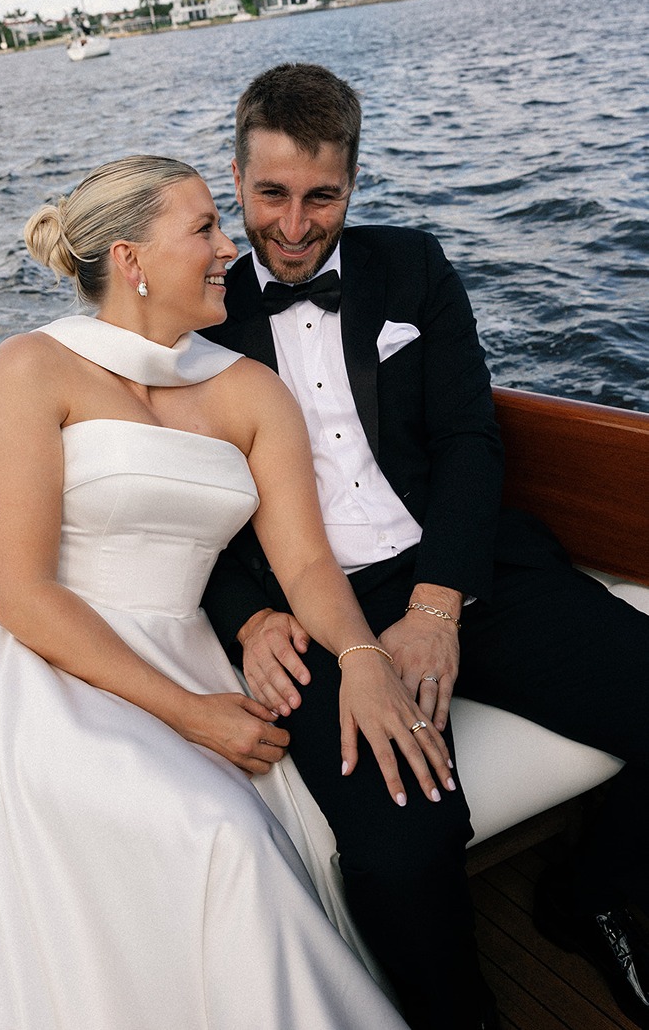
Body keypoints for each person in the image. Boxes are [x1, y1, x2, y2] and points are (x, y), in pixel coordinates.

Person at [0, 155, 420, 1029]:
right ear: (133, 259)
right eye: (205, 229)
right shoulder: (33, 369)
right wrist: (189, 712)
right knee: (221, 836)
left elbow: (308, 568)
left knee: (246, 833)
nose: (229, 247)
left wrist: (363, 656)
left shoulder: (250, 390)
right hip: (45, 672)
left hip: (190, 649)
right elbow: (21, 595)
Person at [201, 62, 649, 1030]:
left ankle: (590, 895)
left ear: (354, 183)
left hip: (461, 565)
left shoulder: (413, 264)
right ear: (234, 181)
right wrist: (247, 616)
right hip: (320, 614)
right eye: (270, 193)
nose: (292, 223)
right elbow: (181, 507)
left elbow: (469, 441)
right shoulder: (197, 318)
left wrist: (440, 601)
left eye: (321, 196)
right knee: (404, 849)